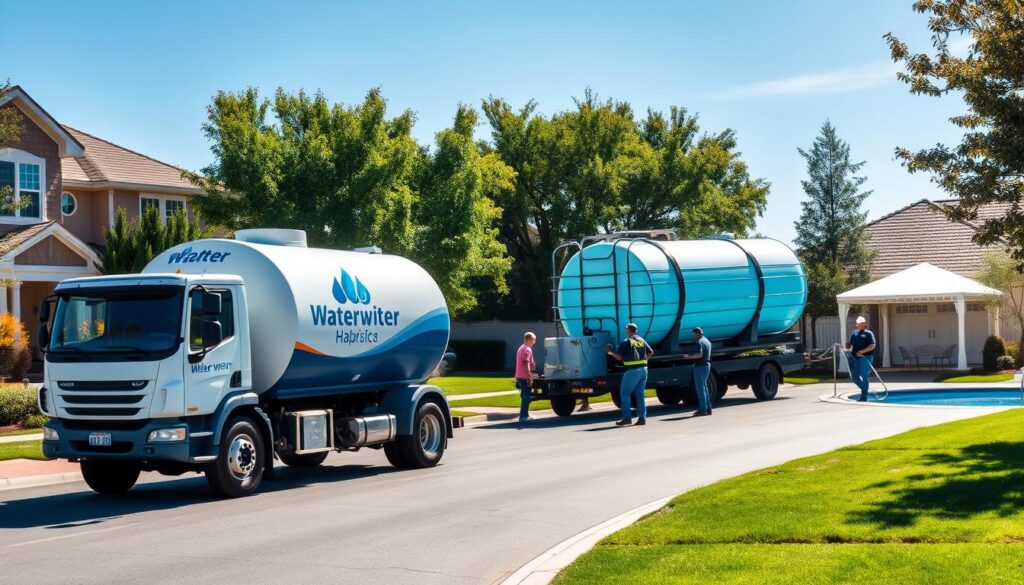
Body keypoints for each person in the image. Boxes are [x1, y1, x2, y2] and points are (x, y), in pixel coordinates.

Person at [606, 323, 654, 426]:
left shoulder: (626, 342)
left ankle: (627, 418)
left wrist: (610, 352)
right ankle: (642, 418)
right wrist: (643, 360)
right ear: (636, 330)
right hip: (643, 370)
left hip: (632, 371)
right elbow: (651, 353)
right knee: (640, 395)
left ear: (628, 330)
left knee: (625, 394)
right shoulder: (641, 340)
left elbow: (619, 357)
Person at [684, 327, 714, 416]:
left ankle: (702, 409)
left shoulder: (699, 342)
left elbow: (699, 354)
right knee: (705, 387)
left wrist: (688, 357)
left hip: (700, 366)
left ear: (696, 334)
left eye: (693, 334)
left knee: (700, 388)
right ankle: (708, 408)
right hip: (707, 365)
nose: (693, 336)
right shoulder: (707, 341)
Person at [847, 316, 876, 402]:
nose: (860, 325)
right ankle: (865, 390)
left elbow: (872, 346)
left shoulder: (868, 333)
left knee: (864, 375)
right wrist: (845, 349)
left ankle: (863, 397)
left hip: (865, 358)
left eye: (862, 323)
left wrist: (862, 351)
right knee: (855, 377)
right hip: (855, 358)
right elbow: (851, 345)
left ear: (865, 324)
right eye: (858, 324)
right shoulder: (854, 333)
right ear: (856, 324)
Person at [515, 332, 537, 422]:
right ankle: (523, 416)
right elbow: (525, 362)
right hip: (524, 377)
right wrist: (529, 375)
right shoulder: (527, 349)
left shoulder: (522, 348)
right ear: (530, 339)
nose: (535, 341)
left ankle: (525, 414)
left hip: (520, 376)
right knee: (526, 396)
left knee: (524, 395)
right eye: (534, 339)